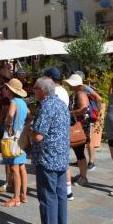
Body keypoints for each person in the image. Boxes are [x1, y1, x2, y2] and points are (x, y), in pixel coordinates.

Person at [26, 77, 69, 224]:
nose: (33, 90)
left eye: (35, 88)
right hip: (61, 158)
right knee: (60, 196)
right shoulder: (61, 104)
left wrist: (28, 129)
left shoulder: (46, 107)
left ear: (42, 91)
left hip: (47, 158)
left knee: (48, 198)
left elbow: (38, 137)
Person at [43, 67, 74, 201]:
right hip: (63, 131)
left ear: (50, 78)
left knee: (58, 165)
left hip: (55, 133)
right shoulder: (64, 91)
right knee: (63, 163)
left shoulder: (55, 92)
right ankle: (67, 190)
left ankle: (65, 191)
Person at [0, 78, 29, 208]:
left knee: (14, 168)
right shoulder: (23, 102)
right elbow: (30, 117)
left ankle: (16, 198)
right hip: (21, 136)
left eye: (7, 88)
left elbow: (10, 115)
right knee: (22, 167)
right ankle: (24, 195)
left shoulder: (13, 101)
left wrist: (9, 124)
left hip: (13, 138)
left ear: (10, 90)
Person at [63, 74, 90, 187]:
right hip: (77, 127)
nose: (68, 85)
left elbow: (83, 109)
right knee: (79, 152)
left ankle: (83, 177)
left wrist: (68, 113)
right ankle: (82, 175)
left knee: (79, 153)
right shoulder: (77, 93)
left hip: (78, 128)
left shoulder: (80, 94)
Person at [74, 70, 102, 171]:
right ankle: (81, 159)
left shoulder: (85, 88)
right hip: (81, 118)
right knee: (81, 139)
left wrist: (96, 112)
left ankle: (91, 161)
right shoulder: (78, 89)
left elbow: (98, 98)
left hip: (86, 117)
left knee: (88, 140)